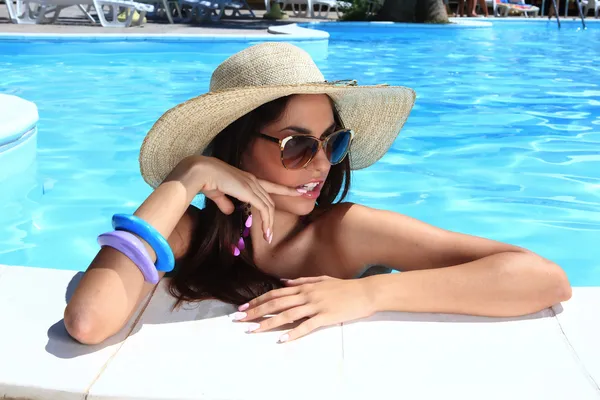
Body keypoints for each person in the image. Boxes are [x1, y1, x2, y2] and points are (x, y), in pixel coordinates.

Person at [64, 42, 571, 346]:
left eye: (333, 141)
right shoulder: (187, 231)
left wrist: (368, 293)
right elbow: (88, 321)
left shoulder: (345, 231)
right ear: (237, 151)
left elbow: (543, 278)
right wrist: (188, 175)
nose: (324, 163)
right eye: (298, 145)